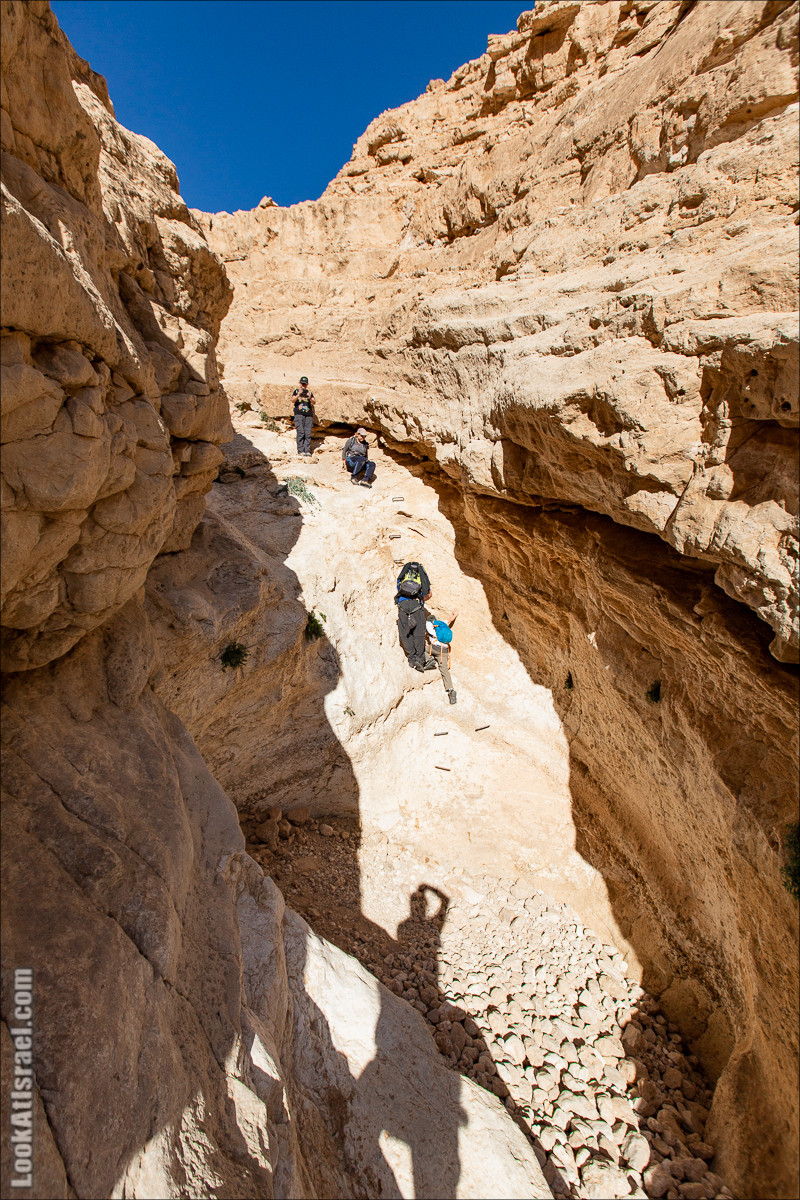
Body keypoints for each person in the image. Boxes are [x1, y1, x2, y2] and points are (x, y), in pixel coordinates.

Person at [395, 562, 436, 672]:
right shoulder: (421, 578)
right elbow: (429, 594)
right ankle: (420, 659)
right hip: (416, 605)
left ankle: (411, 658)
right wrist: (421, 598)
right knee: (419, 633)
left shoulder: (403, 577)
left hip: (403, 606)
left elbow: (398, 588)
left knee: (405, 632)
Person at [426, 611, 458, 704]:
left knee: (422, 650)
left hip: (434, 648)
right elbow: (450, 619)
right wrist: (455, 613)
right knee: (444, 670)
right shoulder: (442, 623)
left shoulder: (428, 624)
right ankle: (451, 689)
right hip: (444, 650)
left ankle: (429, 660)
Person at [290, 375, 316, 456]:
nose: (304, 385)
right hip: (299, 414)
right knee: (300, 432)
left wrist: (310, 397)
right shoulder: (296, 391)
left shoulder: (310, 393)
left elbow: (314, 402)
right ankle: (300, 451)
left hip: (308, 415)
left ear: (307, 384)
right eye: (302, 384)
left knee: (307, 433)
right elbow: (293, 401)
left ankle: (307, 451)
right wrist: (298, 395)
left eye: (305, 384)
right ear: (300, 383)